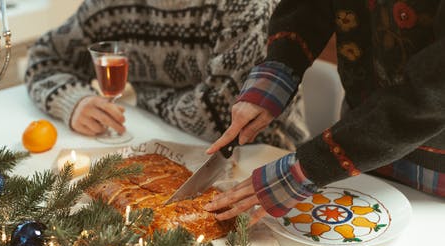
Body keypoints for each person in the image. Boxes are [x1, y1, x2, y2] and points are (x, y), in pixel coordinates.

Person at [205, 0, 445, 223]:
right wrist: (272, 80)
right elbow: (308, 8)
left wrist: (313, 165)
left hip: (435, 171)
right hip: (357, 148)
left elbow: (432, 94)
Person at [24, 0, 309, 150]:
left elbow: (221, 118)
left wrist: (143, 98)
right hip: (159, 145)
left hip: (263, 158)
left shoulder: (249, 6)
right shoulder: (107, 5)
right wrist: (73, 102)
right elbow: (45, 58)